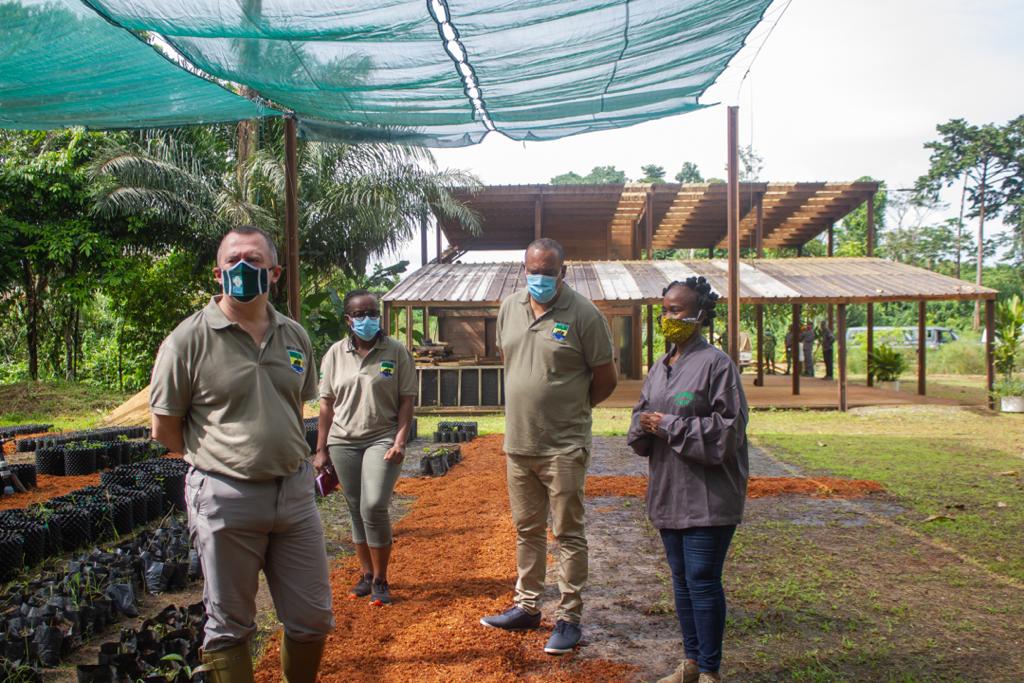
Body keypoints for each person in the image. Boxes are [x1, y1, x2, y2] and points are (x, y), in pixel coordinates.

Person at [150, 226, 333, 683]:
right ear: (218, 273)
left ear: (274, 273)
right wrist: (225, 462)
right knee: (231, 625)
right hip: (225, 498)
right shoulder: (187, 340)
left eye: (254, 261)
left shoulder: (294, 336)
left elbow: (297, 405)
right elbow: (166, 429)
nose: (243, 269)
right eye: (233, 262)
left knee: (312, 618)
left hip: (294, 494)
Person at [480, 238, 618, 655]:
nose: (538, 278)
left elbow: (606, 378)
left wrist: (573, 410)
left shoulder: (585, 315)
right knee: (527, 530)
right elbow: (514, 361)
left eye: (547, 271)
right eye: (531, 270)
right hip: (519, 443)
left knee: (568, 533)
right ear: (524, 268)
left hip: (564, 446)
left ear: (564, 270)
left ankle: (569, 617)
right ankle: (527, 607)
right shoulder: (510, 308)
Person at [628, 276, 749, 683]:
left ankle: (711, 670)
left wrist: (671, 425)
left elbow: (728, 432)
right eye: (664, 310)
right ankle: (691, 663)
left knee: (702, 578)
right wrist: (643, 424)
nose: (667, 318)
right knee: (680, 580)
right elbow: (640, 416)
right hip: (668, 491)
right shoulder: (660, 368)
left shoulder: (717, 365)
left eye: (676, 311)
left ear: (699, 315)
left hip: (708, 496)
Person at [314, 290, 417, 606]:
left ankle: (382, 578)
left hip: (382, 438)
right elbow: (326, 405)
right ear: (348, 320)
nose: (368, 319)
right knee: (356, 507)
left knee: (374, 505)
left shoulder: (396, 352)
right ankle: (367, 574)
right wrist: (321, 449)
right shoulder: (334, 354)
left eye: (373, 313)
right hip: (343, 441)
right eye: (361, 315)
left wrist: (400, 440)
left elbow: (406, 400)